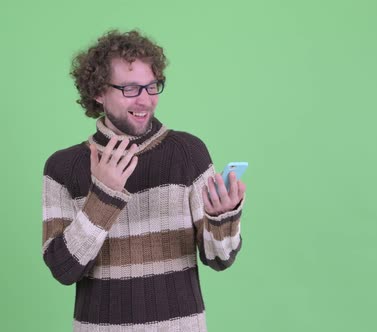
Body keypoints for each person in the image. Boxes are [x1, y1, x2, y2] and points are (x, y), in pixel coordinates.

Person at [41, 29, 247, 331]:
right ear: (98, 92)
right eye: (131, 89)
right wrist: (102, 197)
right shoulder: (63, 168)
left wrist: (221, 218)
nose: (146, 101)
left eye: (152, 87)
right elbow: (63, 269)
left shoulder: (188, 153)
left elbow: (219, 258)